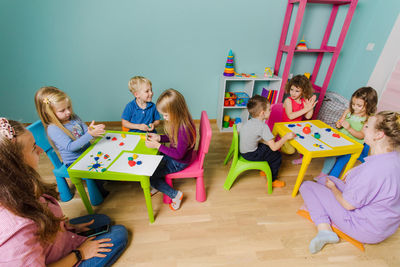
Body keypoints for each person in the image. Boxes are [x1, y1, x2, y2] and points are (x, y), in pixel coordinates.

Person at [0, 118, 128, 266]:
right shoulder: (15, 231)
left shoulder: (15, 185)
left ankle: (68, 235)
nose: (41, 150)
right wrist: (80, 253)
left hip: (52, 240)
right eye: (34, 147)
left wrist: (67, 228)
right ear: (15, 162)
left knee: (102, 220)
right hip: (61, 260)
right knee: (119, 233)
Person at [299, 111, 400, 254]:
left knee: (307, 186)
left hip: (364, 228)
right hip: (385, 226)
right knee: (325, 179)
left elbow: (348, 204)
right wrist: (352, 173)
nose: (363, 129)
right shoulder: (394, 157)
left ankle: (324, 230)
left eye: (367, 126)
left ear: (379, 135)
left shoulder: (373, 171)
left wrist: (334, 189)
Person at [34, 86, 109, 198]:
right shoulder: (53, 128)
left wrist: (90, 130)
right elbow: (70, 147)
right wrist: (89, 135)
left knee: (106, 157)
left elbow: (85, 130)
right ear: (50, 113)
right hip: (74, 161)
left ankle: (101, 182)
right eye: (62, 110)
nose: (68, 112)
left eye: (68, 107)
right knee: (95, 171)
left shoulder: (73, 117)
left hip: (87, 152)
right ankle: (99, 193)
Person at [145, 89, 196, 210]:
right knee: (152, 163)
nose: (164, 118)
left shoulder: (184, 129)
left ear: (176, 111)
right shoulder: (180, 121)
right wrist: (159, 138)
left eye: (166, 115)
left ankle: (175, 195)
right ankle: (158, 185)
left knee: (150, 176)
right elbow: (173, 138)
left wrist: (158, 146)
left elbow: (178, 155)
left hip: (179, 162)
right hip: (174, 157)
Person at [317, 87, 378, 177]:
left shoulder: (367, 119)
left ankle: (328, 177)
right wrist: (339, 124)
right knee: (330, 152)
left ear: (369, 106)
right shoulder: (348, 111)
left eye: (359, 105)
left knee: (339, 160)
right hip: (340, 140)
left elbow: (361, 136)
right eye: (353, 104)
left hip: (352, 145)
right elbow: (339, 124)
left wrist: (349, 129)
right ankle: (324, 174)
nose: (354, 107)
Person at [239, 95, 296, 188]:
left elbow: (257, 138)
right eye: (269, 110)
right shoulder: (263, 127)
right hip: (251, 154)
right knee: (277, 155)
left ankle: (265, 170)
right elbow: (274, 147)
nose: (271, 111)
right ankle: (273, 180)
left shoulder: (250, 121)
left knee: (267, 148)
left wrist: (266, 142)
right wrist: (286, 137)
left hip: (244, 151)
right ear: (262, 113)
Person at [282, 75, 317, 161]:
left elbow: (308, 116)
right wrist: (306, 108)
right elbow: (290, 116)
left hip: (297, 128)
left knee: (306, 142)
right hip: (285, 128)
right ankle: (278, 144)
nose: (293, 93)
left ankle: (303, 158)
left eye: (297, 91)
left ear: (303, 92)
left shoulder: (304, 100)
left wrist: (310, 107)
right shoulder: (288, 100)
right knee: (290, 151)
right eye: (291, 89)